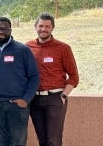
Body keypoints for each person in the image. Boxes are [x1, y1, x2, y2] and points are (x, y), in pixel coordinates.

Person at [0, 17, 40, 146]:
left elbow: (34, 76)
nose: (1, 31)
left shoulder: (22, 50)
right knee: (0, 142)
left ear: (10, 30)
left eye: (4, 29)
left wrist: (26, 99)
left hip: (17, 106)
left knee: (18, 142)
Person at [26, 13, 79, 146]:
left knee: (53, 140)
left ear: (52, 28)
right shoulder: (27, 47)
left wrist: (64, 95)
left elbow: (73, 76)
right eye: (41, 26)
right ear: (35, 27)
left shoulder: (63, 48)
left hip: (55, 99)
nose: (43, 29)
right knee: (42, 139)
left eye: (47, 26)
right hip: (35, 99)